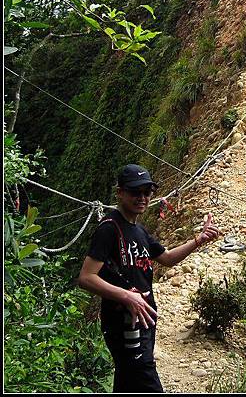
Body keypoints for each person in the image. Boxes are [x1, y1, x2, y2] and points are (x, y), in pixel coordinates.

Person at [78, 163, 219, 393]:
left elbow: (167, 258)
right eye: (135, 192)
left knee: (127, 380)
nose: (142, 197)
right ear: (120, 193)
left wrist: (198, 240)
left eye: (147, 192)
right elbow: (86, 277)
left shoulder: (140, 230)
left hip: (144, 319)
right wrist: (126, 296)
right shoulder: (109, 228)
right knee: (146, 379)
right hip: (123, 322)